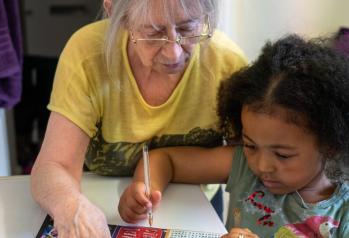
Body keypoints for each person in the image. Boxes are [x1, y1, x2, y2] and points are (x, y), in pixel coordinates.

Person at [30, 0, 247, 237]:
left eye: (187, 28)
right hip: (102, 206)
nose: (173, 52)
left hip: (197, 206)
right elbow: (52, 166)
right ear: (117, 16)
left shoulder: (226, 63)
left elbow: (249, 161)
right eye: (153, 32)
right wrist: (71, 207)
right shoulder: (88, 54)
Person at [118, 35, 349, 238]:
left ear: (328, 144)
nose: (262, 165)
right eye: (250, 145)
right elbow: (165, 159)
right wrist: (144, 189)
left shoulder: (343, 215)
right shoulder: (242, 167)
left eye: (282, 155)